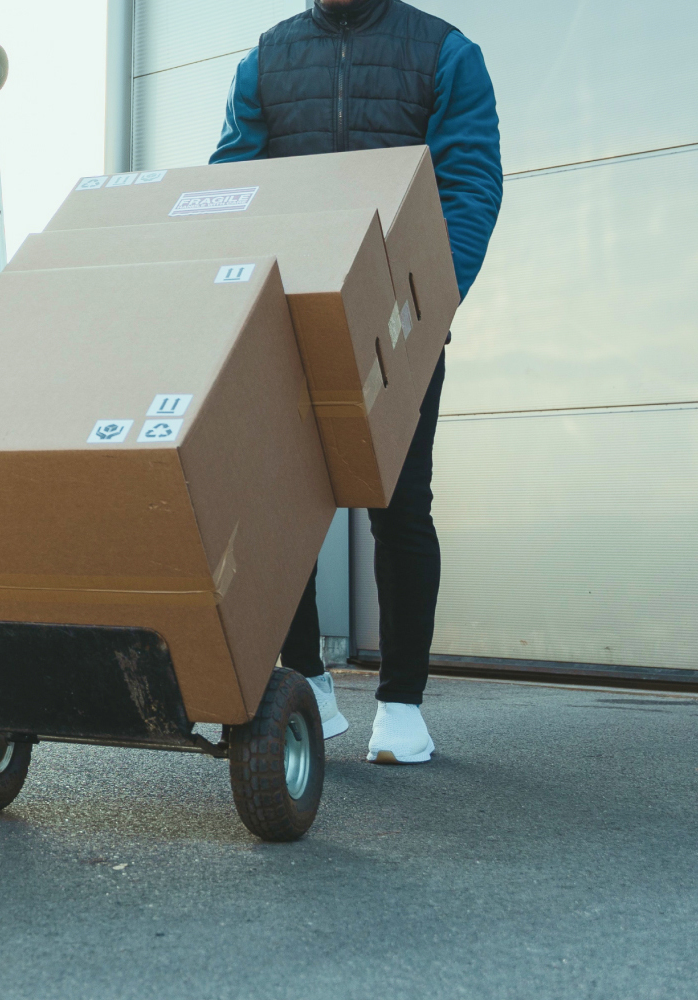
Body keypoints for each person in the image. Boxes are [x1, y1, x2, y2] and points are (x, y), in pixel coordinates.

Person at [212, 0, 503, 764]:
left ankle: (401, 707)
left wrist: (429, 301)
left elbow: (469, 186)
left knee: (398, 506)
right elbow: (235, 181)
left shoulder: (444, 54)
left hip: (397, 325)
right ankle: (307, 679)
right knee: (280, 508)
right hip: (286, 321)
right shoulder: (267, 60)